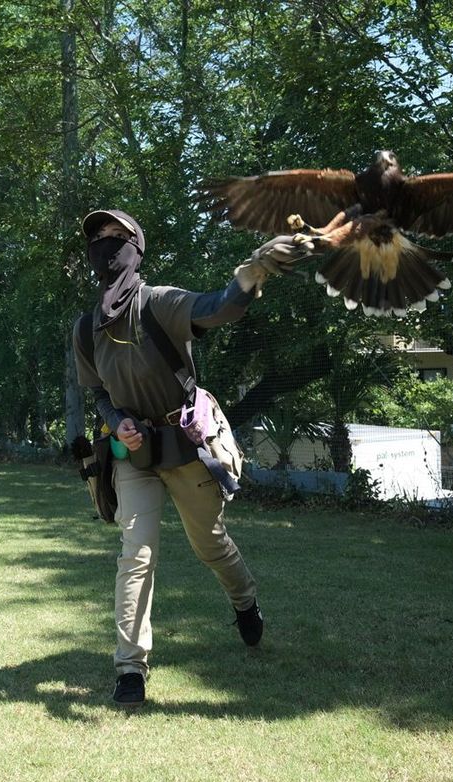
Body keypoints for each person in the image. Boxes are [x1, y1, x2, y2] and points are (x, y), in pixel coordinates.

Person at [73, 207, 364, 708]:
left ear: (136, 246)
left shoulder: (158, 302)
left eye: (115, 236)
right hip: (134, 454)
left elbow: (219, 306)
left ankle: (244, 601)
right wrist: (117, 418)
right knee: (135, 555)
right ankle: (130, 669)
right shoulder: (86, 328)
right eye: (97, 237)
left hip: (186, 444)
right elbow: (97, 389)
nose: (105, 244)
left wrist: (253, 272)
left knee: (209, 543)